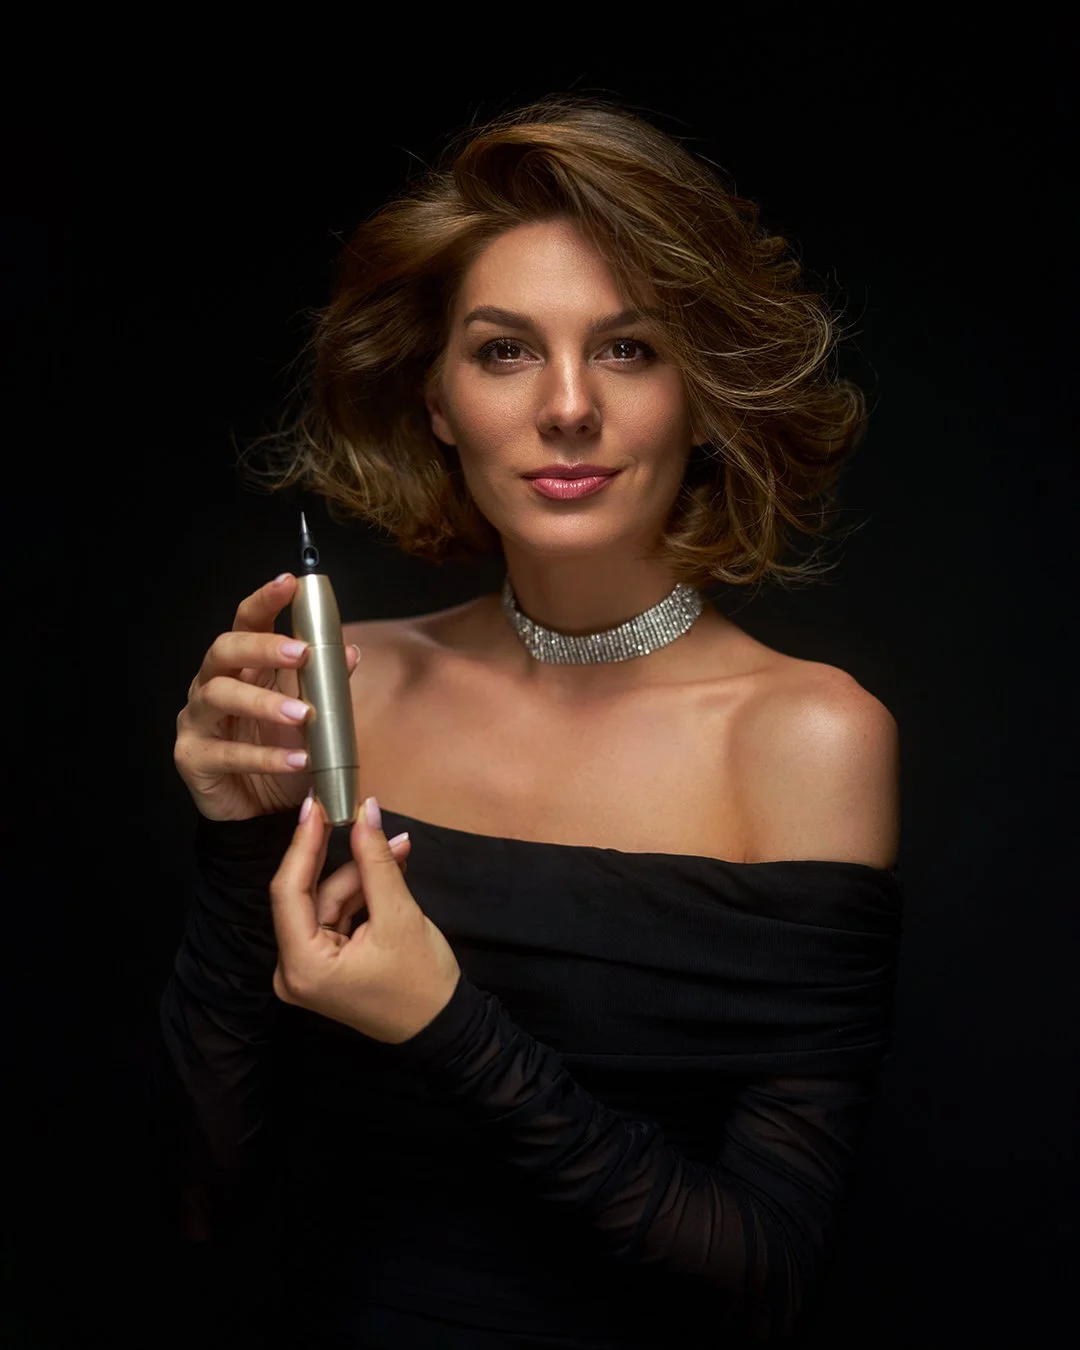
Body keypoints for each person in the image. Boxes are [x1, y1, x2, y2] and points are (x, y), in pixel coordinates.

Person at [148, 96, 902, 1348]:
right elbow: (202, 1197)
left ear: (702, 393)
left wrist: (447, 1025)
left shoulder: (806, 739)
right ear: (438, 398)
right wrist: (238, 852)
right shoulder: (347, 690)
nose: (565, 407)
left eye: (628, 349)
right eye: (504, 350)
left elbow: (766, 1277)